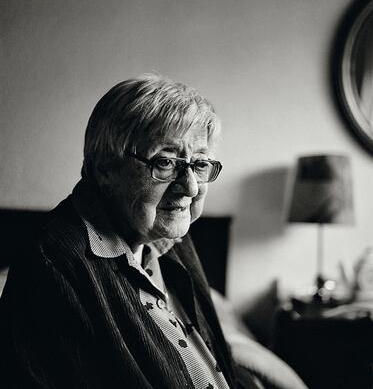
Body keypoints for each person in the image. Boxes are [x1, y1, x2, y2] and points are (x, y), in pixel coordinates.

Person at [0, 74, 262, 388]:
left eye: (200, 163)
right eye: (166, 162)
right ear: (105, 167)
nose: (190, 186)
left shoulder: (171, 234)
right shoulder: (53, 265)